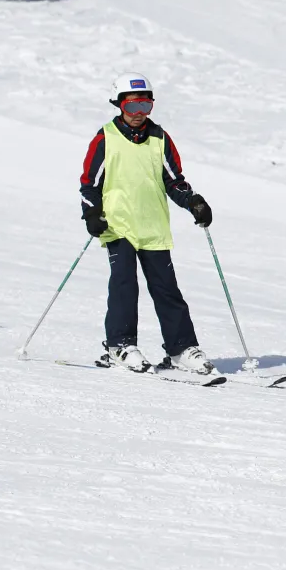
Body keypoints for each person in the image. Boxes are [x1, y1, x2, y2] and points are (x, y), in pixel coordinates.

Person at [79, 73, 215, 374]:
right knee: (125, 285)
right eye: (133, 106)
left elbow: (174, 181)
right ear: (119, 105)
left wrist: (193, 202)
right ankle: (120, 346)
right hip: (117, 225)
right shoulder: (105, 138)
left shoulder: (160, 139)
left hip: (152, 226)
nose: (140, 113)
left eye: (146, 105)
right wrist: (92, 214)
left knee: (166, 289)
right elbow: (89, 185)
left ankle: (181, 349)